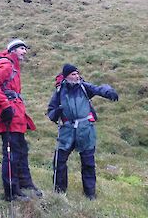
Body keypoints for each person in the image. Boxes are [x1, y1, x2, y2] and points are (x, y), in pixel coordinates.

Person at [47, 64, 118, 200]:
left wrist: (109, 91)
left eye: (77, 73)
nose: (76, 76)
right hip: (67, 132)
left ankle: (90, 194)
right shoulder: (59, 91)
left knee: (88, 163)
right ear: (66, 76)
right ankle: (59, 193)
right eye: (73, 74)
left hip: (85, 131)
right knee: (59, 161)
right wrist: (57, 112)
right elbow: (50, 112)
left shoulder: (84, 87)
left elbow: (99, 89)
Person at [0, 39, 42, 201]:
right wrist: (5, 106)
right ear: (13, 50)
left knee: (21, 150)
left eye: (25, 49)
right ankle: (11, 192)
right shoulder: (7, 65)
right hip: (9, 116)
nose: (24, 52)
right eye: (21, 49)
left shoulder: (13, 67)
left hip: (16, 116)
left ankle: (25, 183)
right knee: (11, 154)